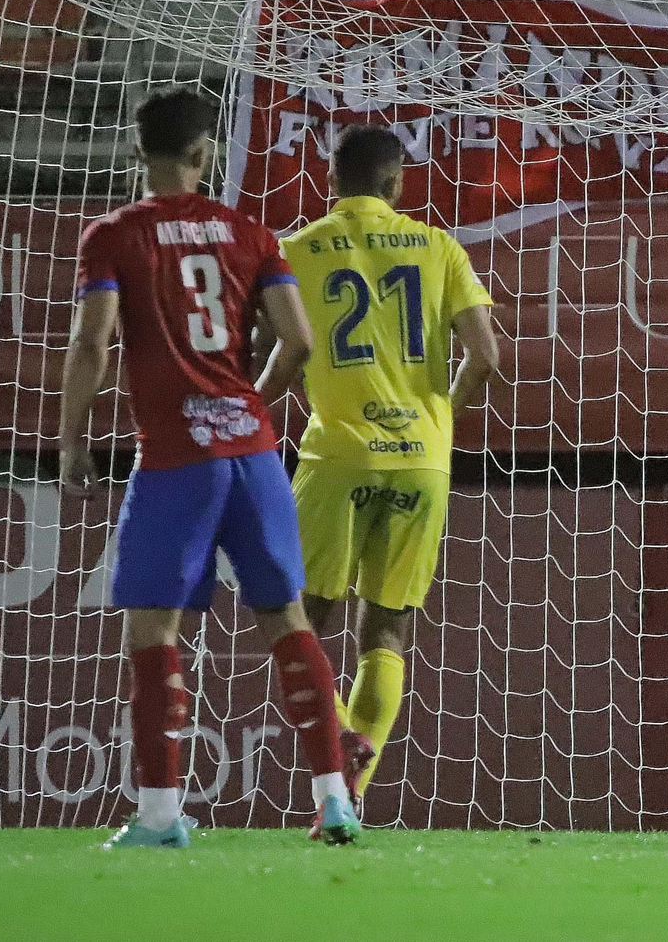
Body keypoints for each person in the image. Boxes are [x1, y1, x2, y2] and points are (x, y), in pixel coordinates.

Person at [59, 87, 361, 848]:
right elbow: (297, 343)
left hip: (175, 459)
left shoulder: (114, 235)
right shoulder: (252, 235)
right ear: (205, 155)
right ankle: (335, 799)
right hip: (253, 454)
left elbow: (93, 347)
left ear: (140, 153)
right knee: (286, 619)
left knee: (153, 627)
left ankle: (161, 815)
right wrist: (247, 406)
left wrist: (71, 438)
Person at [282, 124, 498, 831]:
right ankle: (354, 792)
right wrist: (437, 416)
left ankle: (334, 783)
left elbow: (281, 349)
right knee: (388, 630)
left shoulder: (298, 250)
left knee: (301, 623)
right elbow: (487, 356)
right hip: (421, 458)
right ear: (396, 182)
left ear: (332, 180)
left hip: (336, 455)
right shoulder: (438, 247)